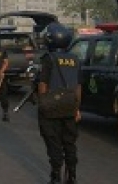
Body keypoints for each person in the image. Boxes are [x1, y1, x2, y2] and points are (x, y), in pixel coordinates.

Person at [37, 23, 81, 184]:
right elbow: (78, 87)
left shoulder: (48, 59)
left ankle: (55, 176)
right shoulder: (75, 59)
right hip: (70, 106)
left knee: (53, 143)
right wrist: (77, 108)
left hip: (51, 107)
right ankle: (72, 177)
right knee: (69, 143)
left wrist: (43, 103)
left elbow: (43, 85)